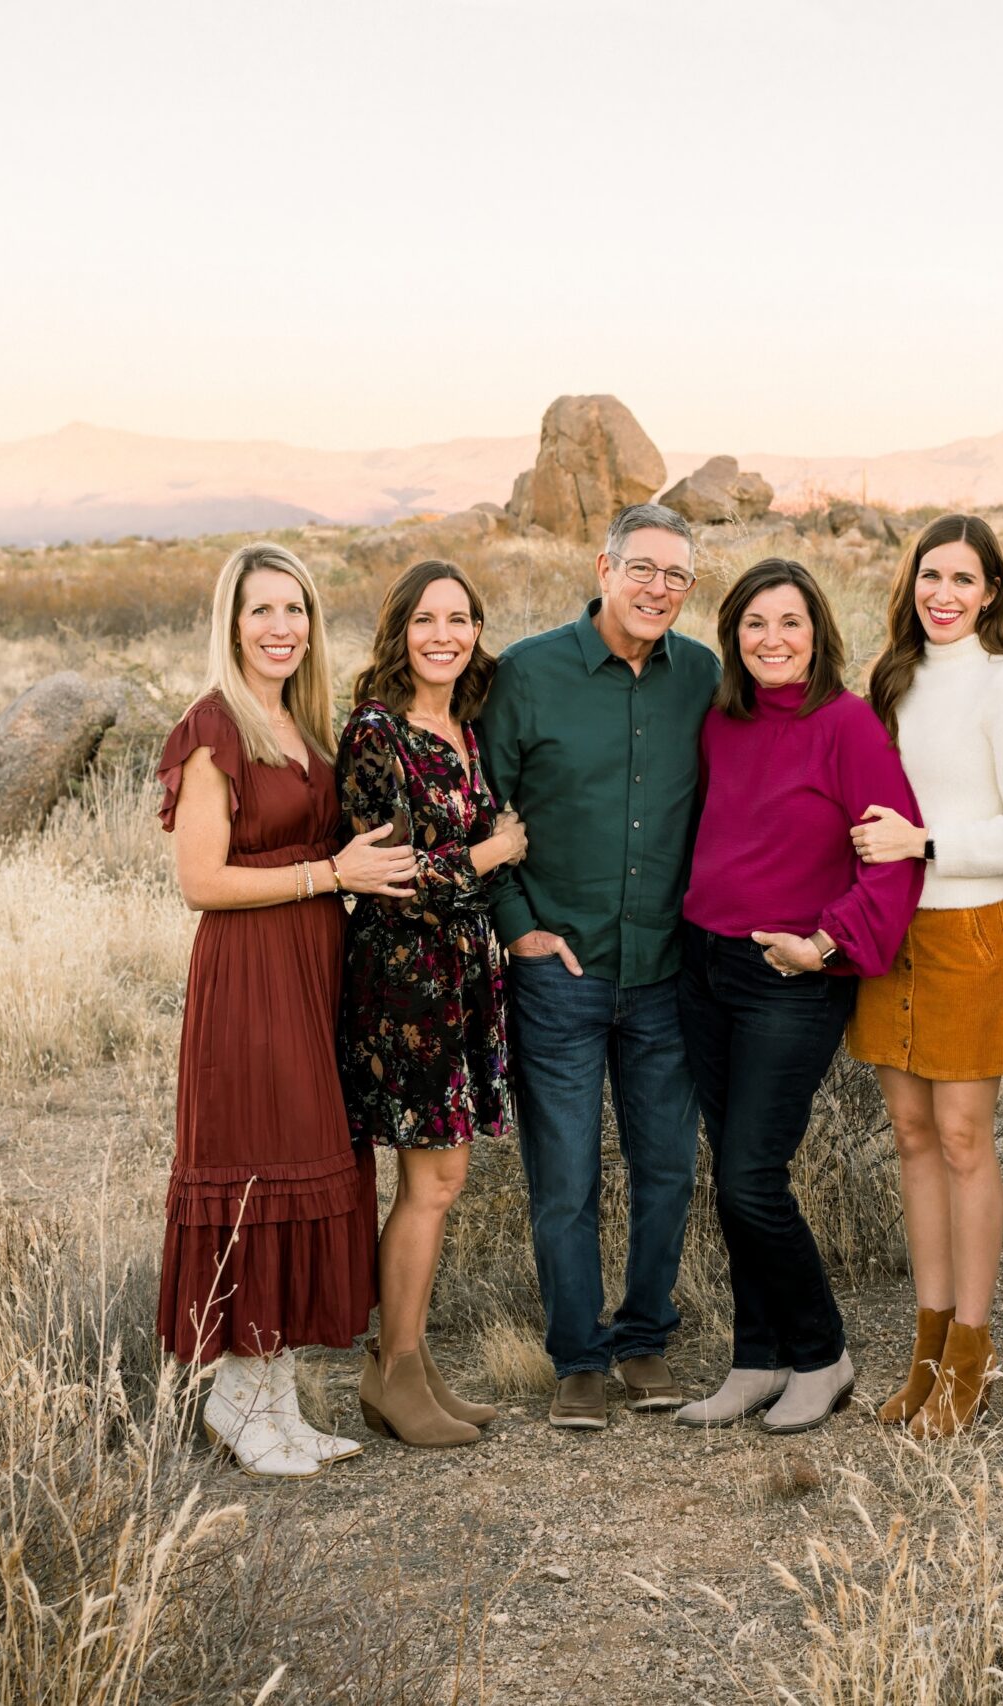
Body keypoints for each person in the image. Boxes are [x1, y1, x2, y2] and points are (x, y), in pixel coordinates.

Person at [156, 542, 419, 1479]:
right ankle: (234, 1398)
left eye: (296, 611)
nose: (281, 629)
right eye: (263, 611)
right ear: (233, 622)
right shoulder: (212, 728)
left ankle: (275, 1399)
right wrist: (329, 873)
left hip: (315, 971)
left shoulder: (304, 725)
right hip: (250, 975)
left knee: (310, 1158)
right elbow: (199, 880)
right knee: (257, 1167)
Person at [480, 503, 719, 1431]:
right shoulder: (528, 675)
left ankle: (645, 1340)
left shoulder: (699, 675)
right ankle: (578, 1357)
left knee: (666, 1168)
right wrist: (518, 927)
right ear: (605, 567)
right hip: (559, 973)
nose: (659, 589)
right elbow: (483, 808)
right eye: (643, 570)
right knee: (566, 1176)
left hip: (664, 970)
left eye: (677, 577)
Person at [673, 560, 922, 1434]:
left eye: (789, 623)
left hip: (790, 976)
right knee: (729, 1168)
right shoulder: (722, 721)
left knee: (751, 1179)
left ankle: (822, 1356)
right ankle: (757, 1358)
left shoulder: (847, 725)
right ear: (733, 636)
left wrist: (821, 945)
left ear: (817, 631)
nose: (772, 640)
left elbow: (892, 858)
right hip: (703, 968)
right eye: (754, 624)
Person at [847, 515, 1003, 1438]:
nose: (943, 594)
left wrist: (927, 842)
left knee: (966, 1140)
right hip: (888, 933)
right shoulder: (893, 679)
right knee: (909, 1136)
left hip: (970, 932)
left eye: (963, 581)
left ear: (990, 594)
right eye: (929, 576)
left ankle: (969, 1364)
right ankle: (926, 1355)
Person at [340, 560, 529, 1449]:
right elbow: (391, 881)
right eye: (426, 620)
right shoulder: (376, 735)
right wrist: (492, 857)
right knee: (432, 1180)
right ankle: (393, 1369)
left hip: (464, 979)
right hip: (405, 983)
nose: (445, 635)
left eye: (461, 619)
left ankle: (408, 1363)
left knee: (440, 1183)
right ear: (399, 631)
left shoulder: (464, 727)